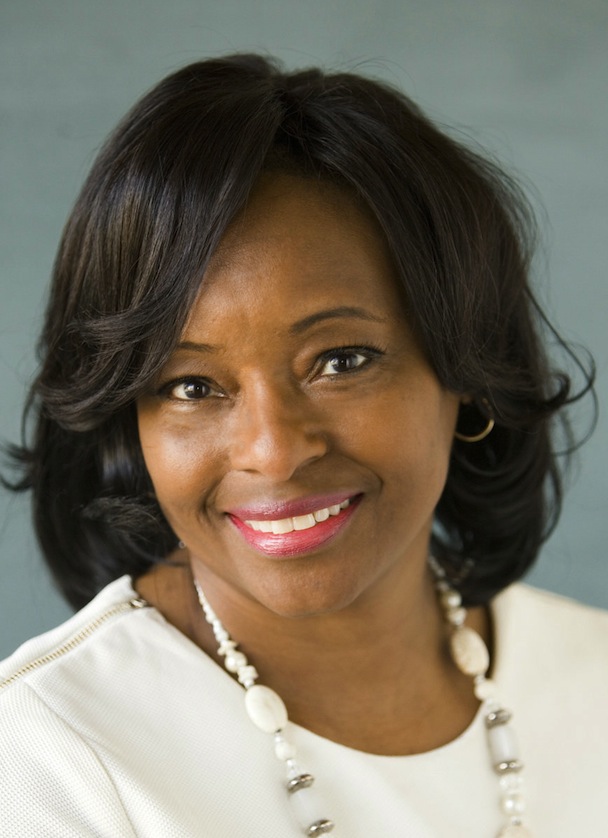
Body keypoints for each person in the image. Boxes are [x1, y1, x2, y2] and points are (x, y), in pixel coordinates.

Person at [0, 54, 605, 838]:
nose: (274, 451)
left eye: (342, 361)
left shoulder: (591, 676)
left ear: (465, 368)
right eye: (192, 385)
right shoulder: (48, 759)